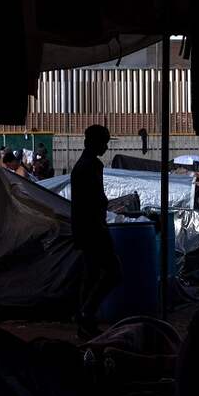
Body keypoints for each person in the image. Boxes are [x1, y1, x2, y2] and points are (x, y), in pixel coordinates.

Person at [71, 125, 121, 336]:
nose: (106, 146)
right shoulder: (92, 166)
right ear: (94, 142)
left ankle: (85, 319)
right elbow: (94, 200)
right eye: (104, 142)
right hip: (94, 228)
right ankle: (87, 312)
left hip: (84, 229)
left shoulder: (81, 166)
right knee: (114, 272)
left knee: (91, 274)